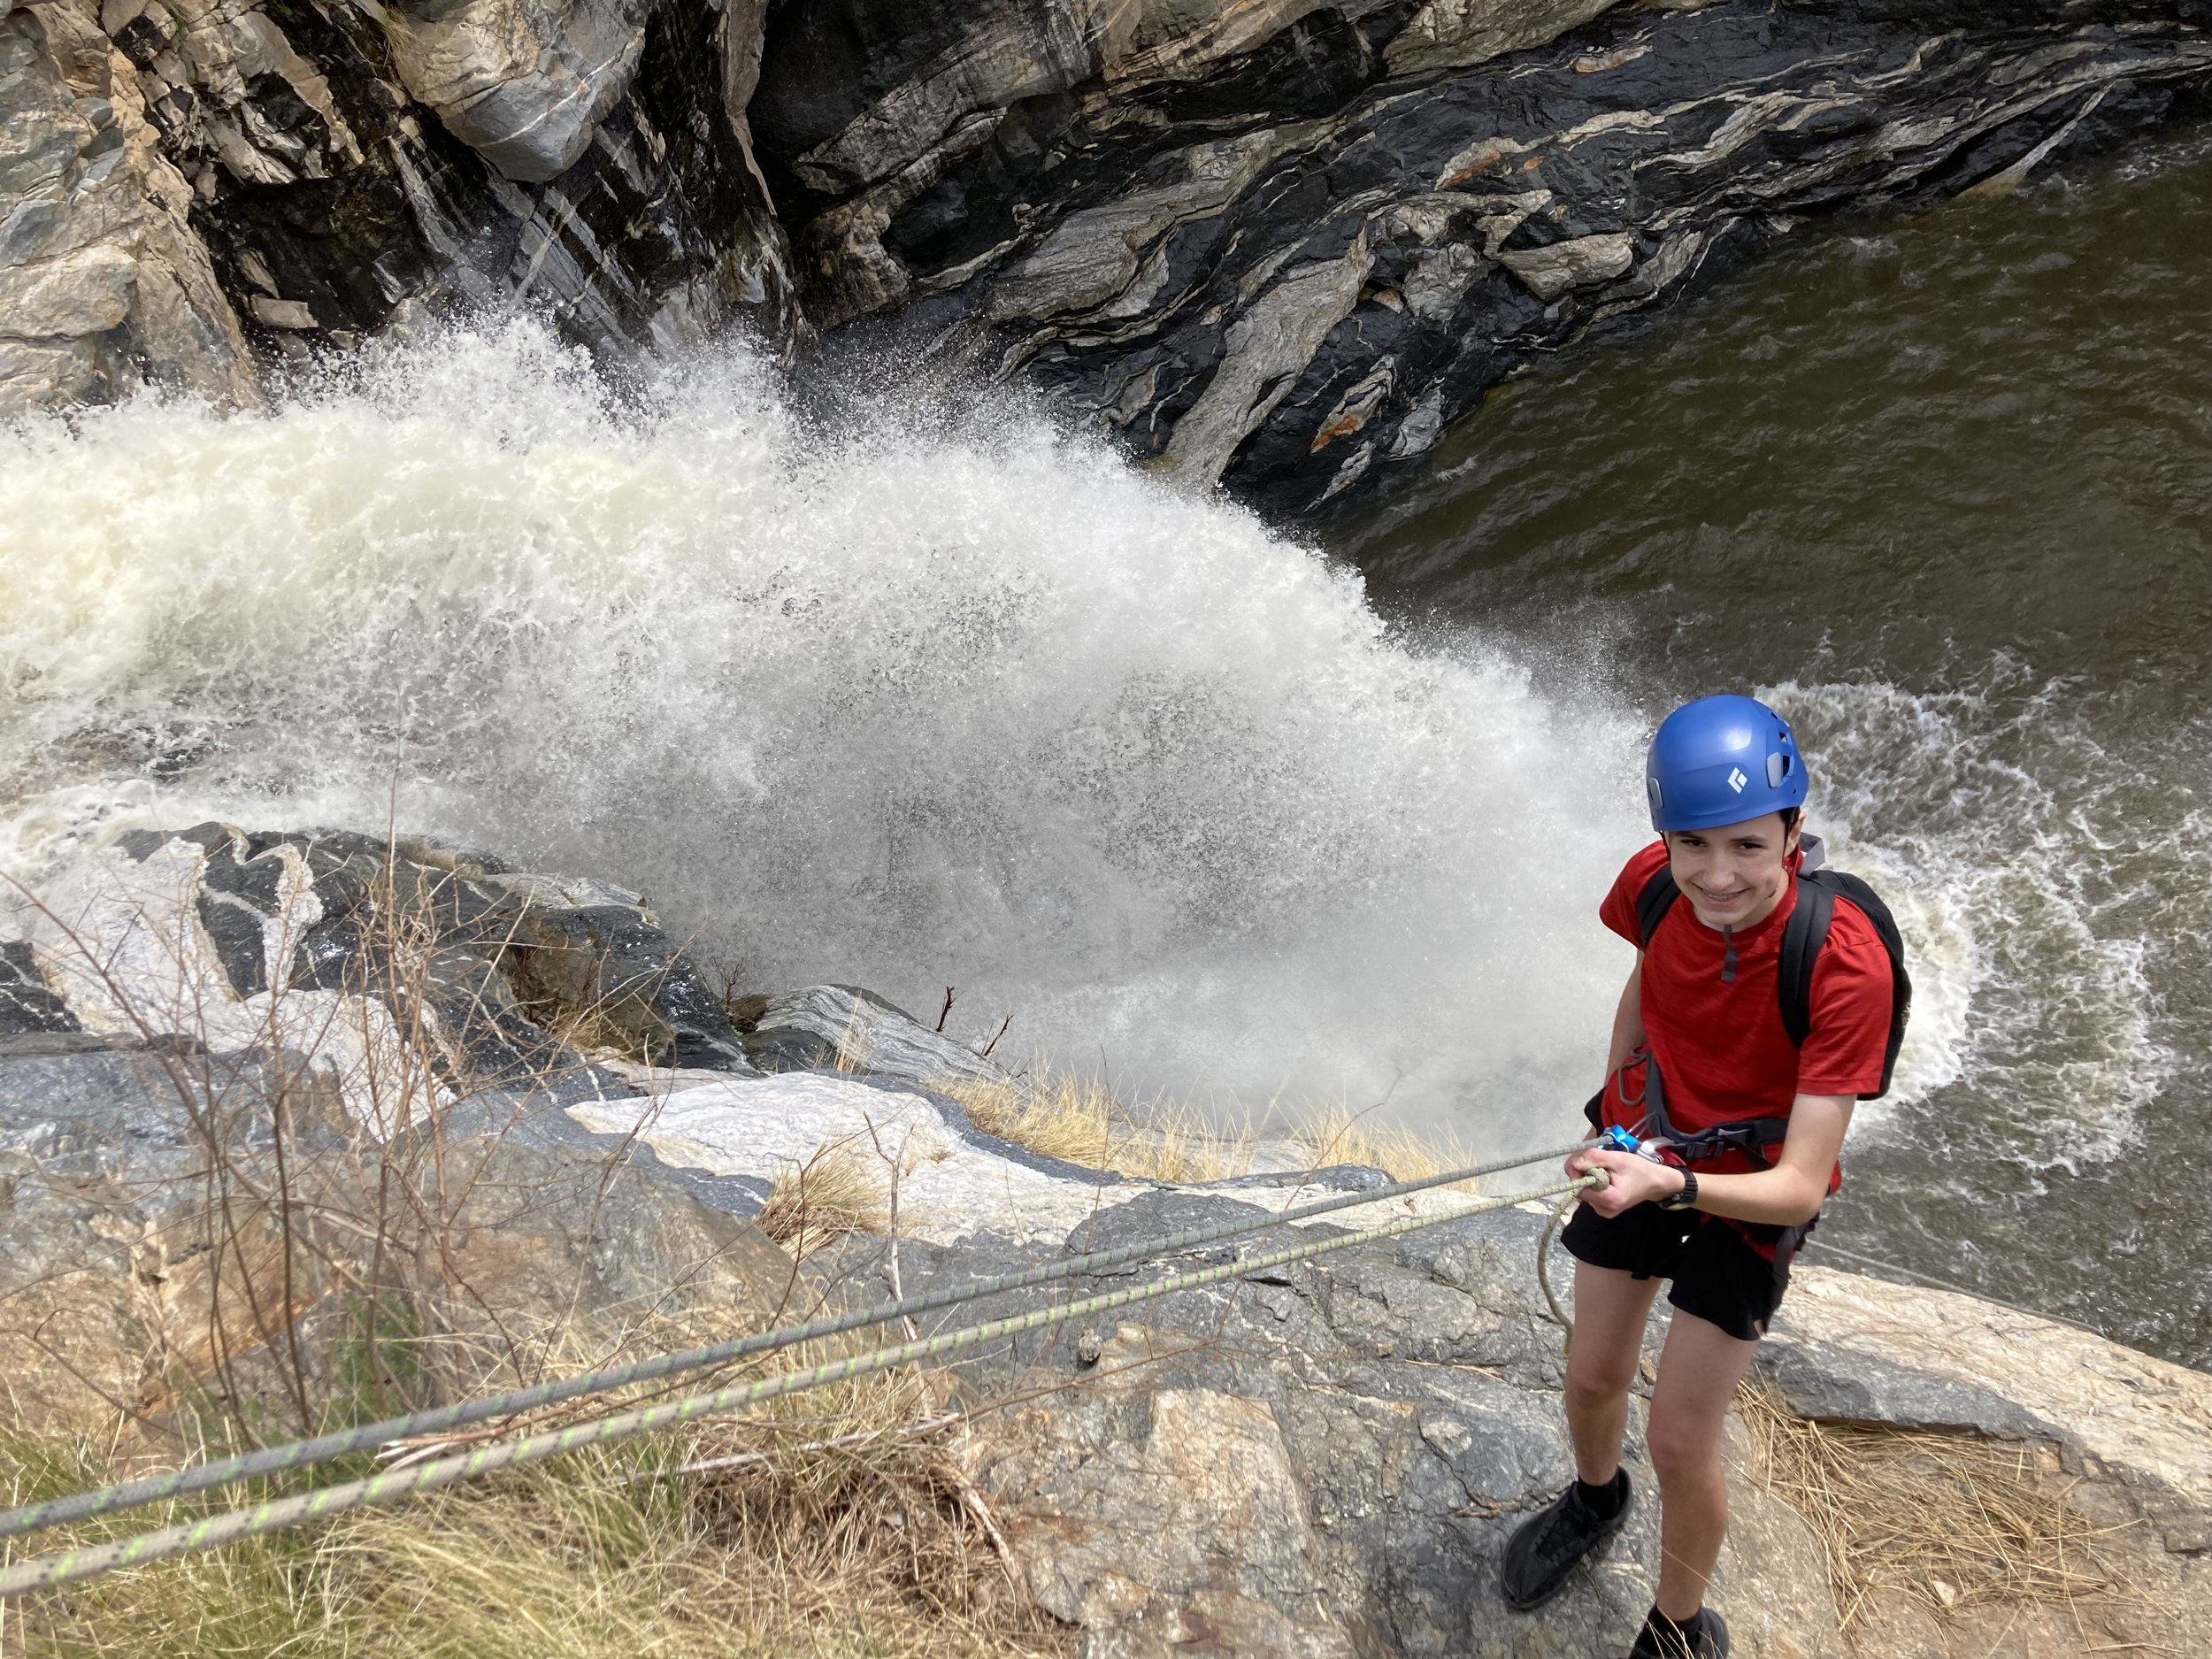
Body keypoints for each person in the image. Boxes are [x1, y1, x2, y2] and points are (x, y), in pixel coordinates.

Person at [1501, 695, 1901, 1659]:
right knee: (1592, 1374)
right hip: (1648, 1145)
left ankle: (1678, 1627)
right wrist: (1615, 1105)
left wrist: (1671, 1186)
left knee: (1681, 1440)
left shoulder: (1843, 963)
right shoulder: (1653, 883)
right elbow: (1650, 970)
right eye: (1692, 846)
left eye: (1746, 849)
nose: (1716, 878)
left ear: (1792, 833)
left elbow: (1801, 1187)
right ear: (1664, 839)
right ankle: (1596, 1501)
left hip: (1746, 1192)